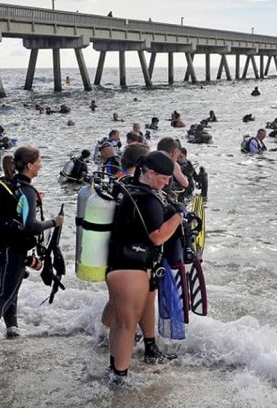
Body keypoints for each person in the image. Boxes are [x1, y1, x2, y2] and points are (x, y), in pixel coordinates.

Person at [0, 147, 64, 350]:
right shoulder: (26, 191)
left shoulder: (9, 184)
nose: (41, 165)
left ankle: (12, 328)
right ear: (29, 165)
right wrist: (53, 222)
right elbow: (29, 226)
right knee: (6, 295)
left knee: (11, 288)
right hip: (13, 250)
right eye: (39, 161)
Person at [106, 151, 183, 383]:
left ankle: (117, 369)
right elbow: (158, 237)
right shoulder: (147, 200)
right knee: (126, 325)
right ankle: (119, 378)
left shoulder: (131, 188)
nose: (167, 183)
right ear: (150, 173)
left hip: (123, 264)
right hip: (129, 268)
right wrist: (179, 215)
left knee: (122, 321)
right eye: (164, 178)